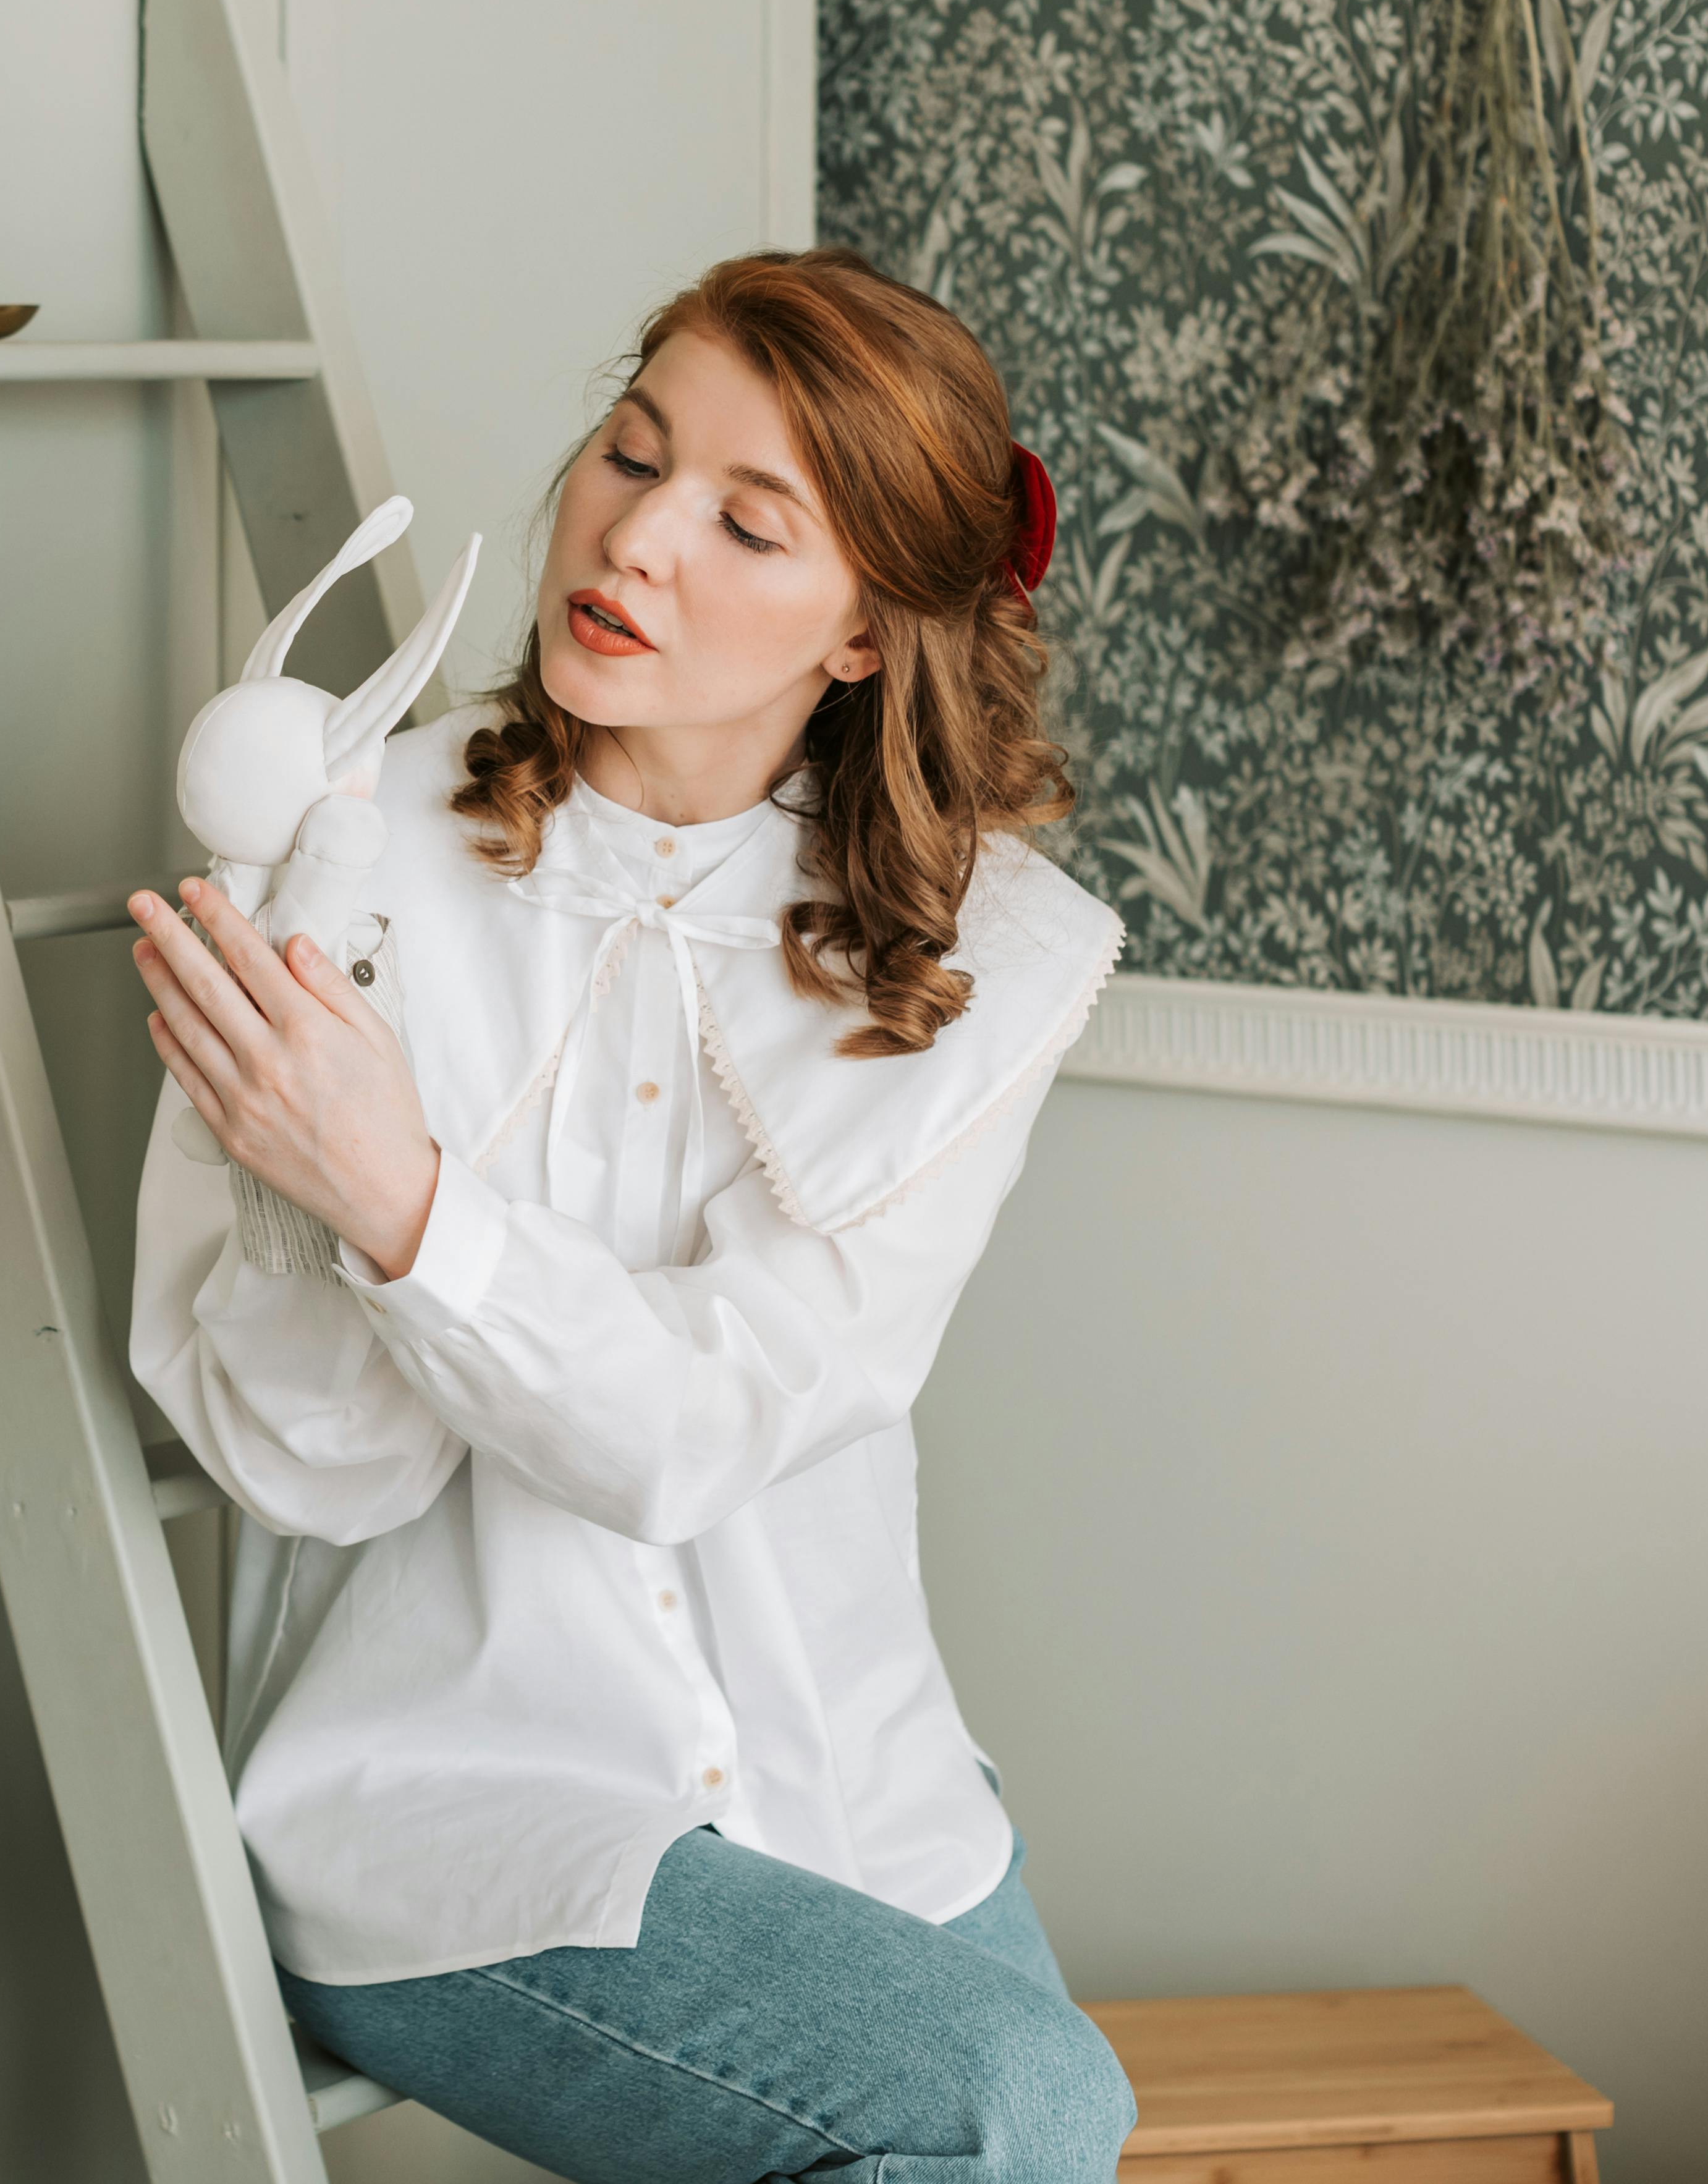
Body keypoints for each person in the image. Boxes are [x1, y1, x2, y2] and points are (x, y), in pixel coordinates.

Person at [124, 248, 1137, 2184]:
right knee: (1020, 2112)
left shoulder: (984, 963)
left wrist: (410, 1201)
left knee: (1036, 2131)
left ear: (859, 633)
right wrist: (330, 1199)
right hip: (456, 1806)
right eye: (629, 451)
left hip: (862, 1795)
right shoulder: (343, 863)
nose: (636, 536)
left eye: (749, 524)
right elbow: (305, 1470)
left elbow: (714, 1422)